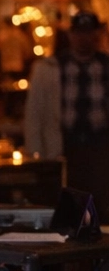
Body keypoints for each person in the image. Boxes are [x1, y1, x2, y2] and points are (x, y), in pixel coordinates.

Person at [25, 11, 109, 205]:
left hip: (99, 146)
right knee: (67, 202)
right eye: (79, 32)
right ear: (70, 34)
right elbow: (35, 114)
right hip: (64, 146)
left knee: (100, 202)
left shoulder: (104, 66)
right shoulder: (50, 68)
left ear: (97, 34)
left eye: (88, 32)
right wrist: (36, 153)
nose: (83, 38)